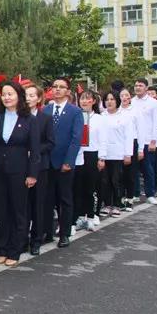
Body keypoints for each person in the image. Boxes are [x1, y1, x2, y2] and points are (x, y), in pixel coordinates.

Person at [0, 81, 39, 266]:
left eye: (10, 94)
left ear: (19, 96)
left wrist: (32, 174)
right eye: (4, 94)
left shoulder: (29, 119)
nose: (6, 97)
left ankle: (15, 250)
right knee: (1, 210)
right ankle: (3, 249)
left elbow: (35, 150)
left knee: (18, 211)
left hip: (19, 170)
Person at [41, 77, 84, 248]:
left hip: (64, 162)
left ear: (68, 91)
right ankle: (47, 232)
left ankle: (64, 233)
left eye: (61, 87)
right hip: (46, 162)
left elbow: (76, 139)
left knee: (64, 199)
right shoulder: (45, 110)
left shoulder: (75, 112)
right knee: (47, 199)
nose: (57, 89)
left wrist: (69, 161)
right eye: (55, 86)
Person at [24, 84, 53, 254]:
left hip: (40, 166)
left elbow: (50, 142)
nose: (28, 98)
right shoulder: (19, 117)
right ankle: (22, 239)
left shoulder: (45, 118)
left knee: (37, 205)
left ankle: (36, 239)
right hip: (21, 166)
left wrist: (34, 150)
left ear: (39, 98)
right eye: (26, 95)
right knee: (23, 205)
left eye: (31, 95)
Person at [73, 90, 104, 232]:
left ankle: (91, 216)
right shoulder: (76, 116)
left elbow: (103, 139)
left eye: (87, 99)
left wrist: (101, 157)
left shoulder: (99, 118)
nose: (84, 101)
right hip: (78, 154)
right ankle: (79, 217)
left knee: (91, 188)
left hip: (92, 154)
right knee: (77, 188)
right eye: (82, 99)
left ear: (94, 101)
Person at [99, 91, 133, 217]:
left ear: (117, 101)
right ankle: (107, 204)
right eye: (107, 99)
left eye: (112, 99)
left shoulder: (124, 116)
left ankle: (117, 204)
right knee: (105, 181)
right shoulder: (101, 116)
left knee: (116, 180)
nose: (109, 102)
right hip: (104, 154)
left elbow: (128, 137)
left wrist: (128, 154)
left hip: (118, 154)